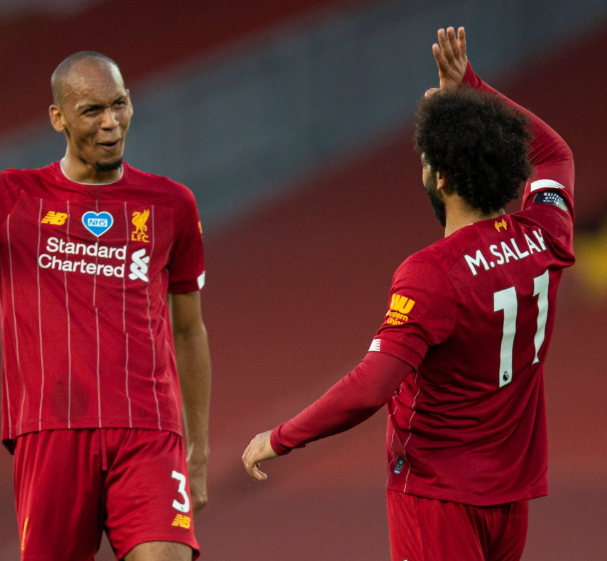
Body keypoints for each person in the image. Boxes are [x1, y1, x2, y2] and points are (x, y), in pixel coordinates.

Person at [242, 27, 575, 561]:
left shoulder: (432, 273)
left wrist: (280, 437)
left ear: (442, 178)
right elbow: (555, 153)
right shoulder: (545, 233)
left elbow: (370, 388)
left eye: (424, 159)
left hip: (437, 491)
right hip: (512, 496)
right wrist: (471, 88)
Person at [0, 50, 211, 561]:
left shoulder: (171, 205)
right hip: (51, 432)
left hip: (149, 430)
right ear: (59, 118)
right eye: (92, 110)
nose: (111, 123)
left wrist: (198, 452)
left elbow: (188, 331)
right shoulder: (12, 197)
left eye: (119, 105)